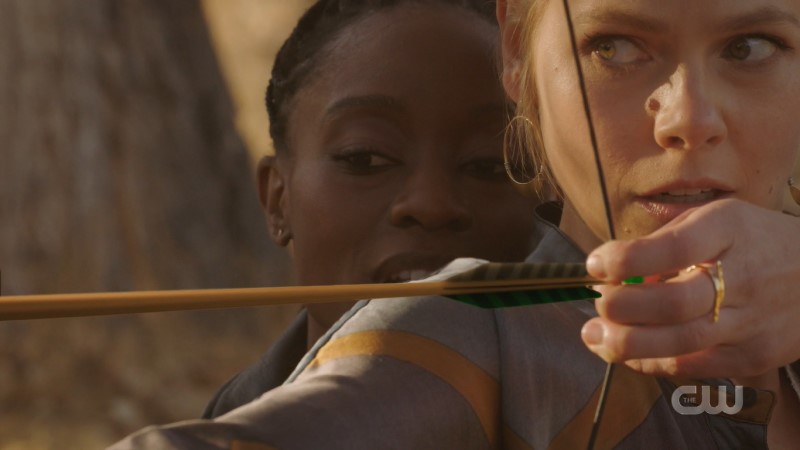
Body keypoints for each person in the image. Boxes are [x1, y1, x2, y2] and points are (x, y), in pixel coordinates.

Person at [111, 0, 800, 448]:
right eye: (614, 47)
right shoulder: (474, 327)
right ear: (514, 48)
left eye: (750, 48)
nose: (689, 118)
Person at [202, 0, 540, 418]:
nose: (431, 205)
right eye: (365, 158)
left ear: (552, 203)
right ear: (278, 200)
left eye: (488, 164)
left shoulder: (624, 412)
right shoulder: (224, 428)